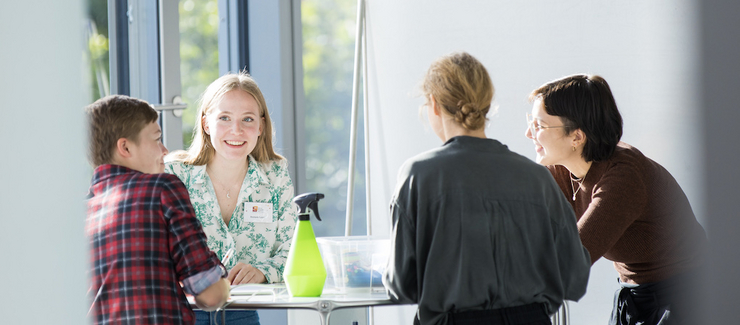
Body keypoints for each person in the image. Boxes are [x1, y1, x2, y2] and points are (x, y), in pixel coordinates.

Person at [383, 52, 591, 325]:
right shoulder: (537, 178)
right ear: (486, 102)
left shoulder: (418, 176)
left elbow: (401, 284)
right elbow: (574, 277)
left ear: (434, 104)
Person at [525, 74, 707, 325]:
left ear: (576, 137)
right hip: (634, 294)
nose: (528, 133)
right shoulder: (561, 168)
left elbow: (571, 259)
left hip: (685, 297)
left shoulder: (624, 177)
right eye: (530, 123)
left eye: (540, 126)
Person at [165, 72, 298, 325]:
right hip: (181, 312)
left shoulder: (276, 176)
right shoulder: (174, 174)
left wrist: (262, 272)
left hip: (243, 312)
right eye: (224, 118)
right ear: (206, 123)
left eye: (247, 119)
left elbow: (292, 251)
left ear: (260, 126)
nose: (236, 130)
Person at [85, 95, 230, 325]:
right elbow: (211, 296)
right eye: (157, 139)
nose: (165, 150)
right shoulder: (163, 188)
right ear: (125, 147)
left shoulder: (82, 209)